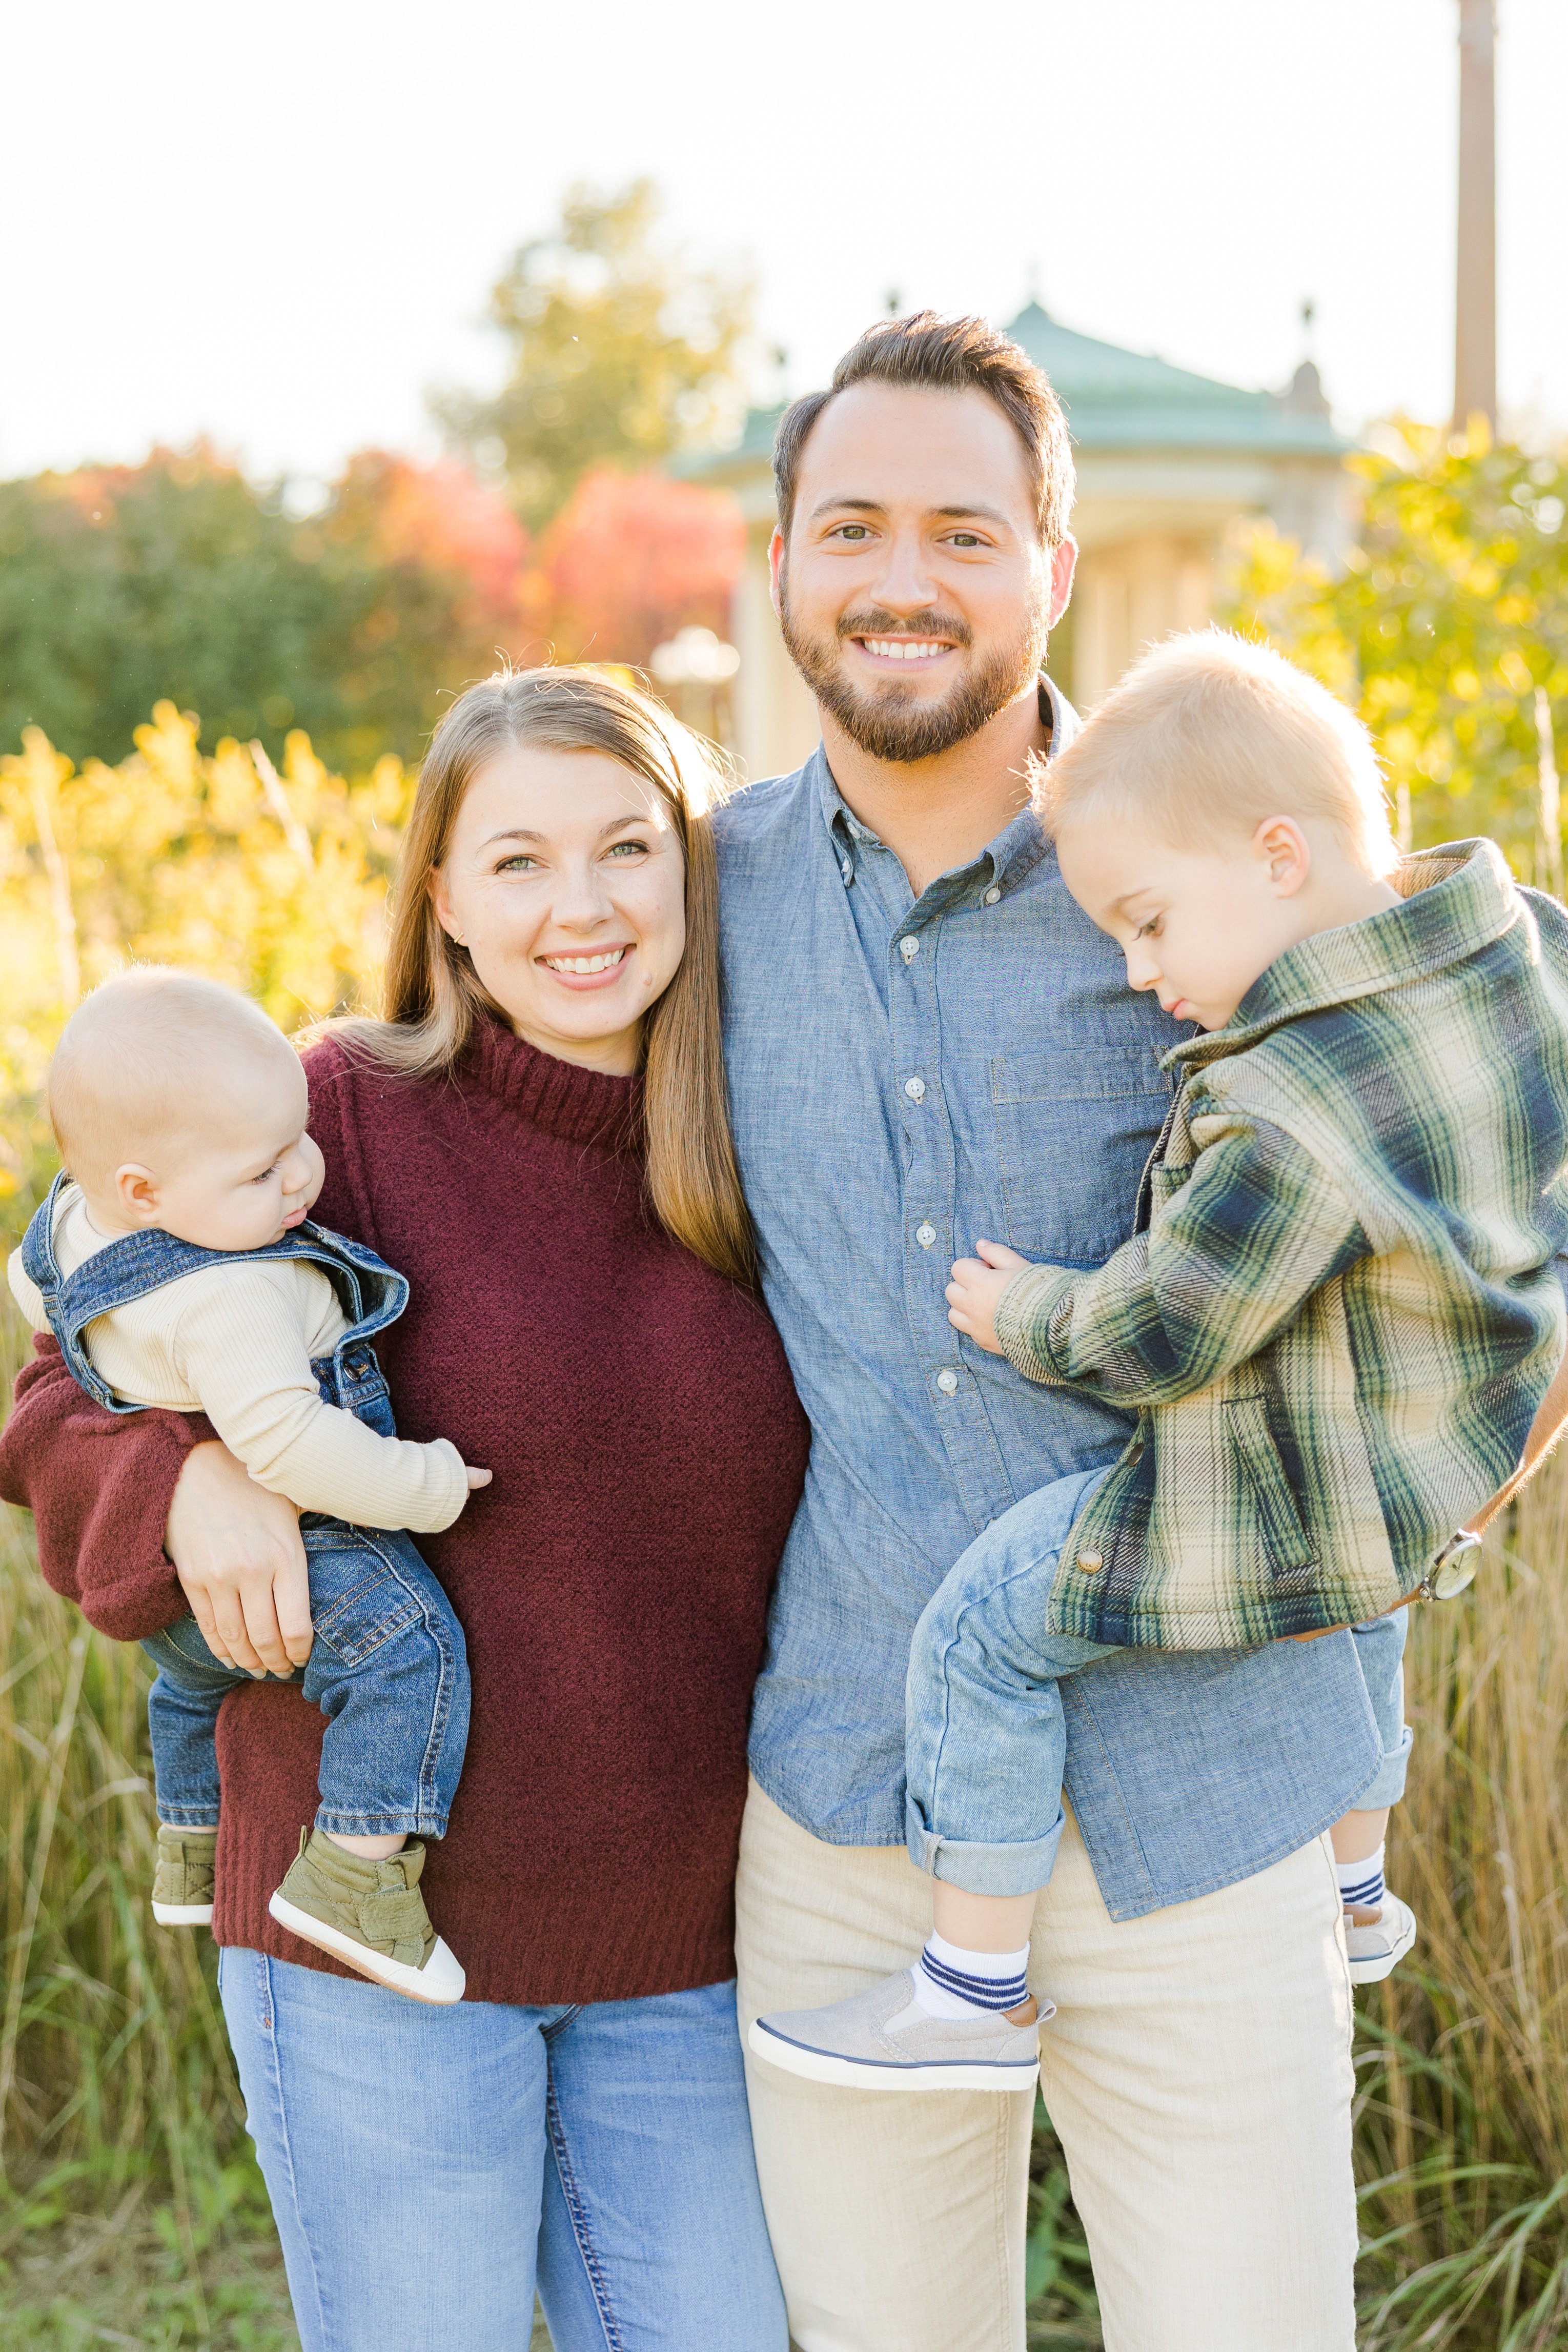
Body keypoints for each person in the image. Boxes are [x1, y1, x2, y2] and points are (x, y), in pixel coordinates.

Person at [708, 308, 1405, 2352]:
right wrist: (153, 1370)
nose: (902, 580)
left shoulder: (1218, 878)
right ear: (784, 564)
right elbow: (391, 1137)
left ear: (1053, 566)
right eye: (850, 527)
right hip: (847, 1798)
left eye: (961, 531)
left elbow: (1482, 1155)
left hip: (1211, 1794)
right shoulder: (688, 898)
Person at [0, 670, 809, 2352]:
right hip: (374, 1930)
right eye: (515, 860)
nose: (578, 906)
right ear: (442, 896)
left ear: (695, 867)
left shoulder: (774, 1131)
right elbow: (53, 1390)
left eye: (626, 847)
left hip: (695, 1940)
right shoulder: (317, 1123)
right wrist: (188, 1473)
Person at [747, 628, 1568, 2096]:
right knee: (1363, 1598)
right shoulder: (1520, 943)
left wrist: (1028, 1313)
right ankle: (1355, 1882)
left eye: (1144, 923)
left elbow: (1165, 1331)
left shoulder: (1293, 1102)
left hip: (1298, 1480)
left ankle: (967, 1984)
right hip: (1437, 1455)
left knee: (986, 1624)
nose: (1137, 975)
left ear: (1273, 856)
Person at [9, 968, 495, 2003]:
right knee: (410, 1649)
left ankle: (192, 1839)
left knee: (193, 1675)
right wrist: (429, 1484)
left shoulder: (73, 1225)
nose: (303, 1177)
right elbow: (290, 1446)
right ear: (143, 1190)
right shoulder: (234, 1295)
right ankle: (354, 1878)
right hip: (288, 1553)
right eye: (262, 1169)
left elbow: (36, 1303)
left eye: (302, 1138)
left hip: (184, 1603)